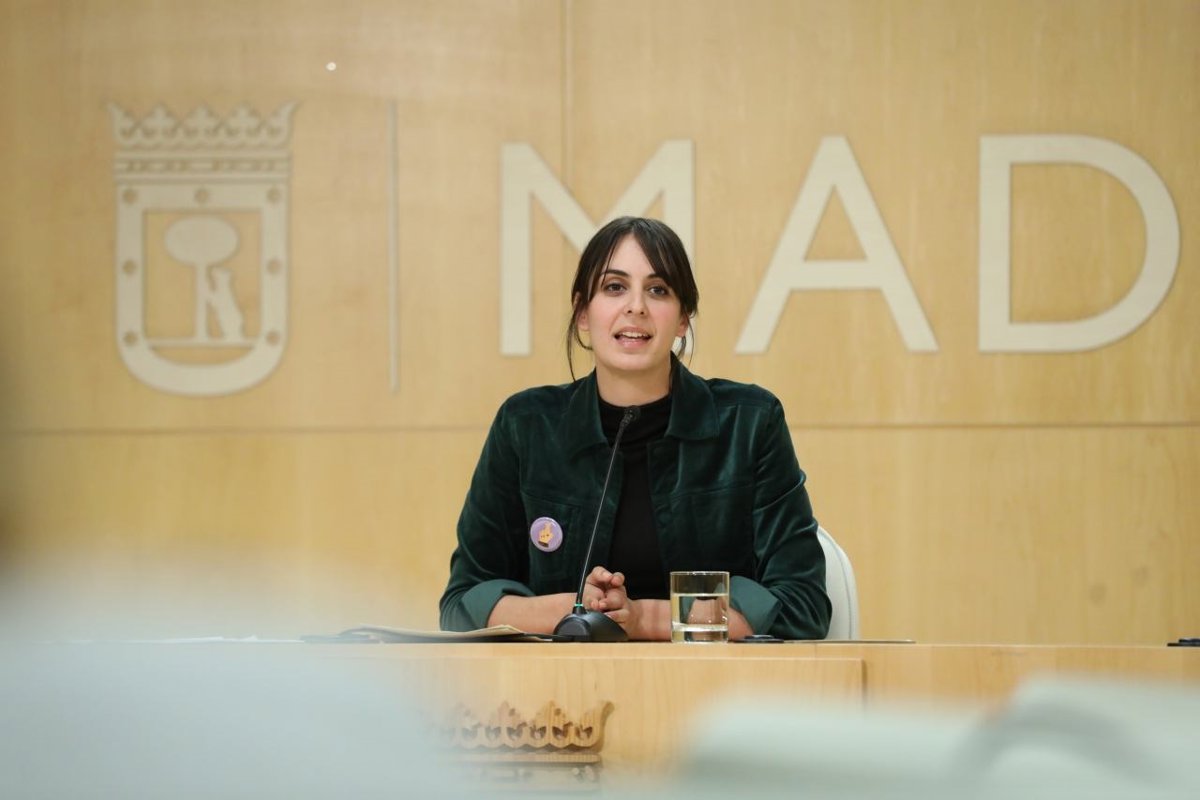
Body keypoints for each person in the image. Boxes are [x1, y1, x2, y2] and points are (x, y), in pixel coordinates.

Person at [439, 217, 830, 640]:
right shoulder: (526, 426)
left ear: (683, 319)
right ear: (583, 312)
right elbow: (462, 604)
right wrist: (576, 608)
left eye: (658, 290)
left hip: (715, 681)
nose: (636, 306)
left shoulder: (749, 423)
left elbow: (802, 606)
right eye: (614, 287)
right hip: (565, 681)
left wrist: (644, 618)